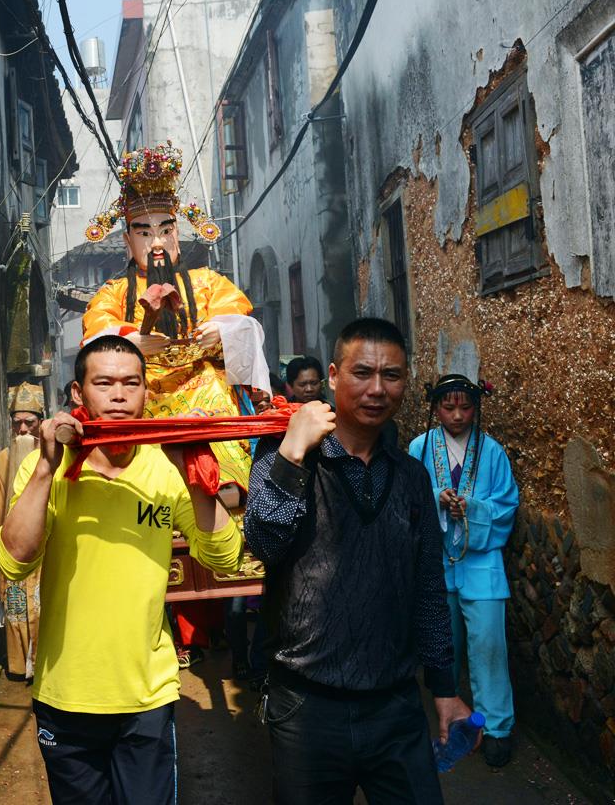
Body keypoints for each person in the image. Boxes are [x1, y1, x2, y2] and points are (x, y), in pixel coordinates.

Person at [0, 336, 243, 805]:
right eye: (103, 382)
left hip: (146, 695)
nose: (119, 394)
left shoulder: (164, 466)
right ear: (78, 392)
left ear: (147, 393)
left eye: (132, 383)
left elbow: (225, 559)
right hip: (66, 694)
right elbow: (13, 560)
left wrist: (197, 476)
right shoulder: (46, 466)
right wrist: (46, 470)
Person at [244, 317, 472, 805]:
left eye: (391, 375)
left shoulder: (411, 476)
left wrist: (444, 689)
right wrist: (291, 450)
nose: (377, 389)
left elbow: (428, 589)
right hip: (306, 709)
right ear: (332, 375)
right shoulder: (282, 451)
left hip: (395, 707)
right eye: (362, 373)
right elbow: (263, 543)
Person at [83, 141, 271, 666]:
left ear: (179, 235)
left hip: (198, 391)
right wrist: (132, 334)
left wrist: (218, 333)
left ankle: (228, 496)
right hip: (144, 397)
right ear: (127, 240)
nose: (156, 240)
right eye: (143, 231)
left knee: (214, 396)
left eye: (165, 228)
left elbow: (244, 322)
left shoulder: (208, 284)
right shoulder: (113, 293)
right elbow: (96, 340)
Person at [409, 374, 519, 769]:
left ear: (477, 407)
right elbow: (408, 502)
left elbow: (506, 504)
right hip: (437, 563)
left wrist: (470, 507)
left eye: (466, 407)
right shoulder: (419, 448)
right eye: (448, 407)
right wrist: (436, 500)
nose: (457, 415)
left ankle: (497, 728)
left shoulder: (492, 452)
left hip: (482, 562)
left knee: (489, 647)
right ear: (435, 408)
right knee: (445, 645)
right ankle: (452, 716)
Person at [0, 381, 44, 680]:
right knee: (15, 605)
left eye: (30, 423)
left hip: (44, 549)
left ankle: (43, 662)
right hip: (13, 548)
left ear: (41, 423)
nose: (23, 430)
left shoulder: (53, 454)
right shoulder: (4, 459)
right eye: (17, 423)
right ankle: (19, 663)